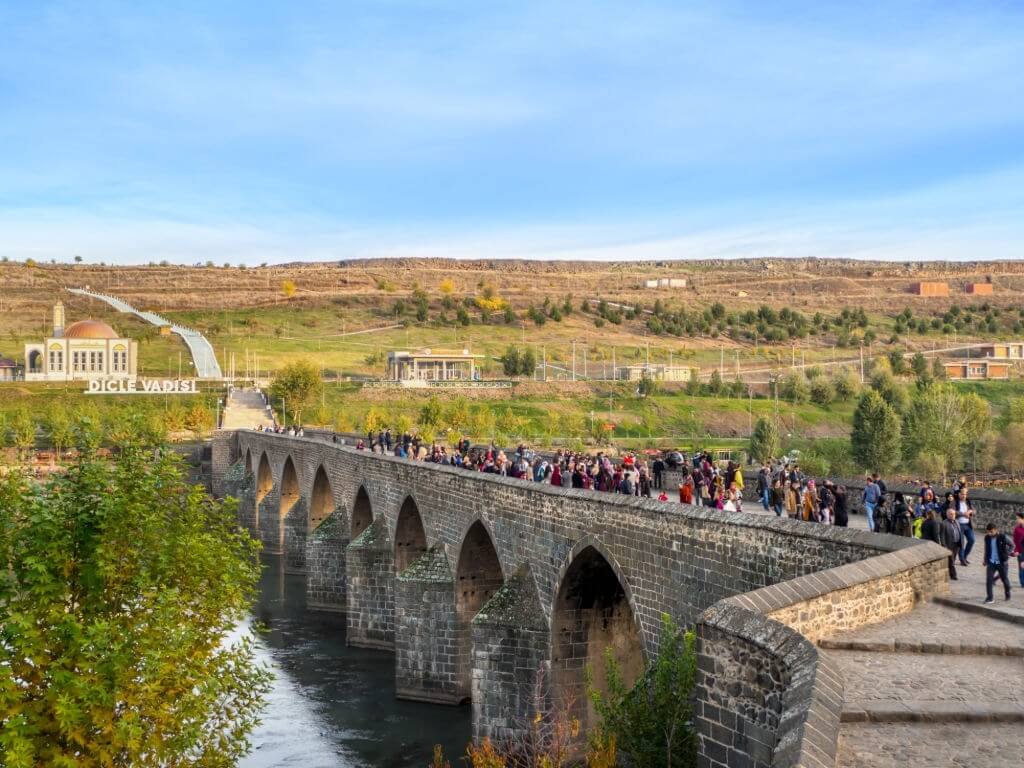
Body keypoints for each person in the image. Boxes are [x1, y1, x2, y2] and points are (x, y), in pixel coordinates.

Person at [982, 522, 1013, 603]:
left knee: (1004, 580)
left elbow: (1012, 545)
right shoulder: (987, 538)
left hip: (1002, 563)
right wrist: (985, 559)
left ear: (996, 530)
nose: (989, 533)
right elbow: (986, 549)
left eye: (991, 532)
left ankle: (1007, 593)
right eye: (988, 532)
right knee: (989, 580)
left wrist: (1007, 553)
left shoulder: (1003, 537)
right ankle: (990, 598)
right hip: (991, 562)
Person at [940, 507, 962, 580]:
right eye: (951, 514)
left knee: (953, 560)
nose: (953, 515)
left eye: (954, 514)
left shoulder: (957, 522)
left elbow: (959, 533)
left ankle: (949, 572)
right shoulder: (944, 523)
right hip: (949, 545)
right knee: (951, 560)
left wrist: (961, 542)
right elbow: (942, 536)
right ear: (947, 515)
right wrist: (944, 545)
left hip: (957, 544)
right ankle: (954, 575)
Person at [955, 489, 974, 566]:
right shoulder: (955, 502)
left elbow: (973, 510)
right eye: (962, 494)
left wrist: (970, 512)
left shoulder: (968, 502)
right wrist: (963, 514)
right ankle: (962, 560)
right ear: (959, 494)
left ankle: (965, 556)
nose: (964, 496)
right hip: (959, 525)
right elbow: (953, 511)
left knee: (972, 540)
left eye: (965, 494)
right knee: (961, 544)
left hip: (967, 525)